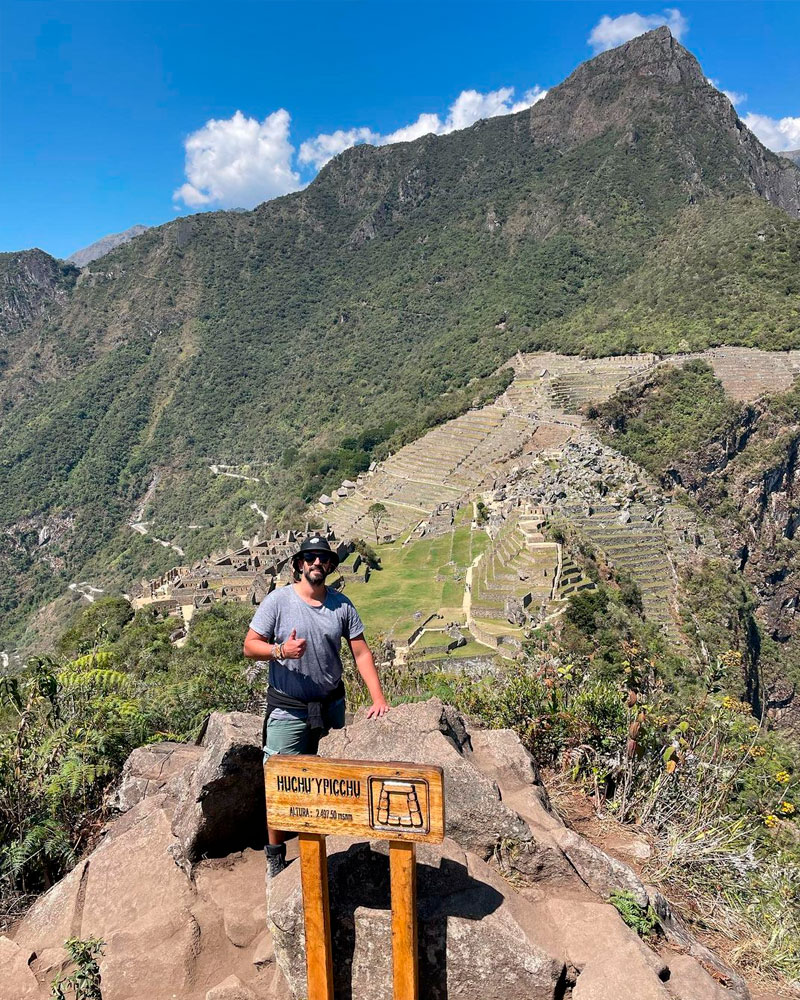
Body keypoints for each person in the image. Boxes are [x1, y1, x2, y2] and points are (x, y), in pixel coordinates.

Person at [243, 534, 389, 877]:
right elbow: (250, 646)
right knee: (279, 780)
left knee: (332, 779)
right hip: (288, 707)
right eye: (310, 558)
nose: (316, 563)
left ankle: (330, 846)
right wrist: (281, 651)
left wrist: (378, 698)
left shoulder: (342, 606)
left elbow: (361, 652)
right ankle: (275, 854)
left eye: (322, 559)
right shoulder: (278, 602)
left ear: (330, 566)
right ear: (299, 564)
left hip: (330, 705)